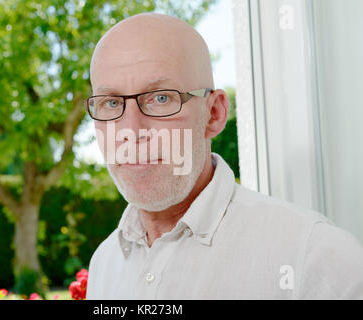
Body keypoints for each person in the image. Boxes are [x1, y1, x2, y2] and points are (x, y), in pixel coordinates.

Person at [85, 13, 363, 299]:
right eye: (111, 102)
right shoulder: (105, 264)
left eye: (161, 98)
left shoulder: (316, 259)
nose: (132, 131)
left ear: (214, 114)